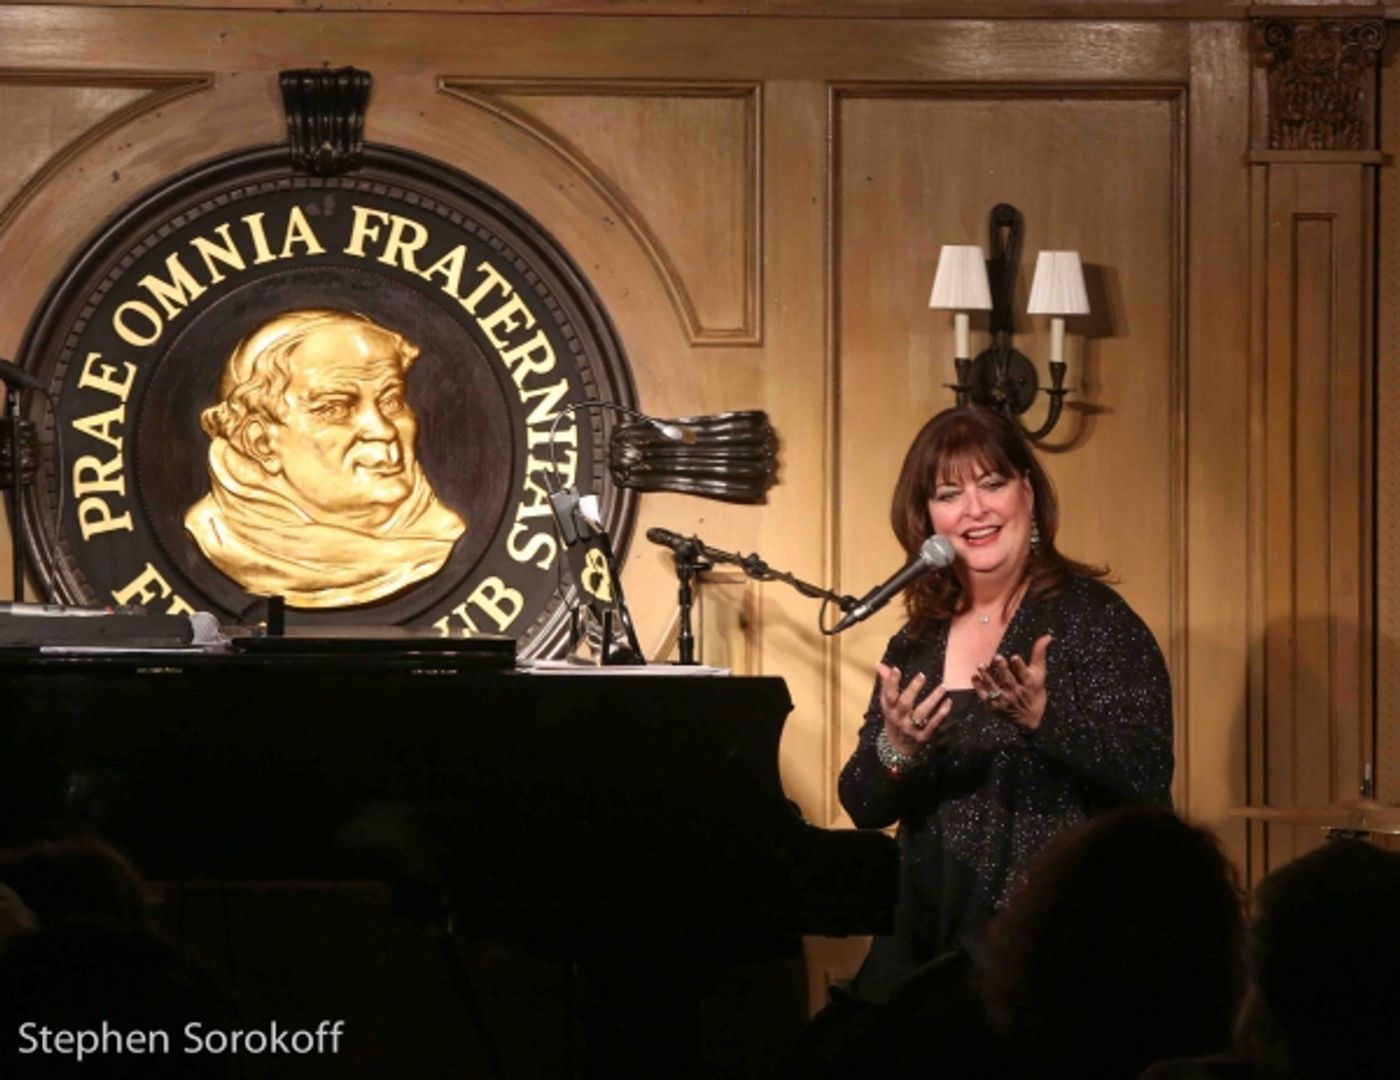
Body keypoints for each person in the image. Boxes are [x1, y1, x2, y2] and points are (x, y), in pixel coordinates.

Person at [838, 405, 1174, 1002]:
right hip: (928, 945)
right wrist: (898, 747)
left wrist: (1044, 722)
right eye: (949, 494)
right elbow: (863, 802)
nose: (975, 509)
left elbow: (1148, 774)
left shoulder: (1093, 620)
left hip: (1059, 943)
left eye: (992, 484)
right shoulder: (916, 642)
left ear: (1028, 493)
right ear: (928, 520)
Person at [184, 309, 465, 607]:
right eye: (335, 409)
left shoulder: (442, 532)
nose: (382, 429)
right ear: (261, 443)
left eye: (391, 400)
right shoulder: (218, 535)